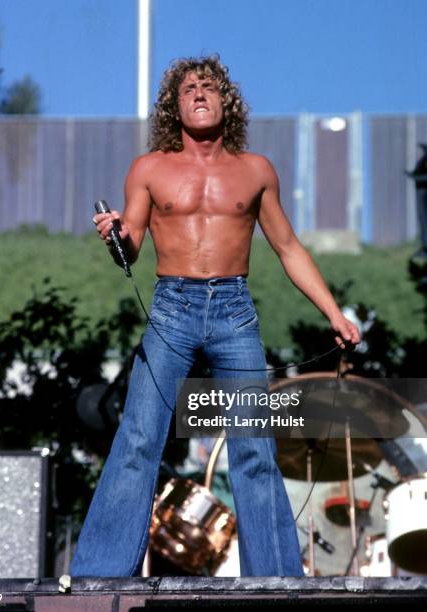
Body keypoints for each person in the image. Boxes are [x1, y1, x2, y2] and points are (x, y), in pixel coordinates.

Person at [70, 55, 361, 578]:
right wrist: (115, 233)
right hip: (170, 308)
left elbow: (290, 248)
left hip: (234, 312)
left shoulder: (255, 171)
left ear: (226, 100)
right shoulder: (149, 169)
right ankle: (100, 575)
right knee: (138, 438)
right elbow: (130, 250)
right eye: (188, 89)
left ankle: (276, 579)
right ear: (174, 105)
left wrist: (334, 313)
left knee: (253, 447)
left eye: (209, 86)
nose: (199, 93)